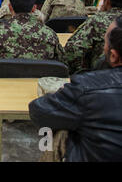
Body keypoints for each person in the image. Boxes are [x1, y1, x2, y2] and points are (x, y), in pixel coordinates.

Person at [29, 15, 122, 162]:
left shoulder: (86, 88)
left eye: (105, 42)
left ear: (113, 56)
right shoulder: (48, 34)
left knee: (61, 131)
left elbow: (39, 111)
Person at [0, 0, 64, 78]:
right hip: (39, 89)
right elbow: (62, 67)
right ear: (34, 8)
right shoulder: (50, 34)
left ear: (10, 7)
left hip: (5, 88)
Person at [64, 0, 122, 75]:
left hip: (102, 79)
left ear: (107, 1)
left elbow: (72, 50)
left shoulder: (97, 20)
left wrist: (84, 72)